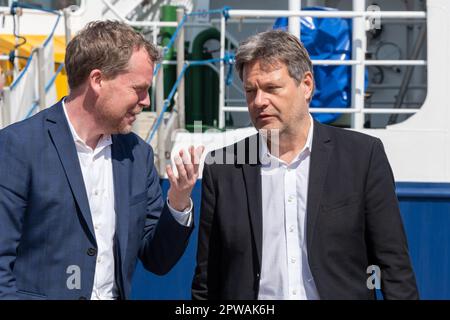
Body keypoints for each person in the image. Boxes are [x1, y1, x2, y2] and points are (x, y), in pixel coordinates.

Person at [192, 30, 418, 300]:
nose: (259, 102)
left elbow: (395, 269)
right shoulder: (222, 169)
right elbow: (207, 282)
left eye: (272, 88)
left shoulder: (363, 157)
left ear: (307, 85)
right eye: (250, 91)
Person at [0, 20, 203, 300]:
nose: (146, 100)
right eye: (138, 88)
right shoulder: (18, 146)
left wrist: (179, 201)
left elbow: (158, 259)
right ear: (97, 80)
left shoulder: (138, 156)